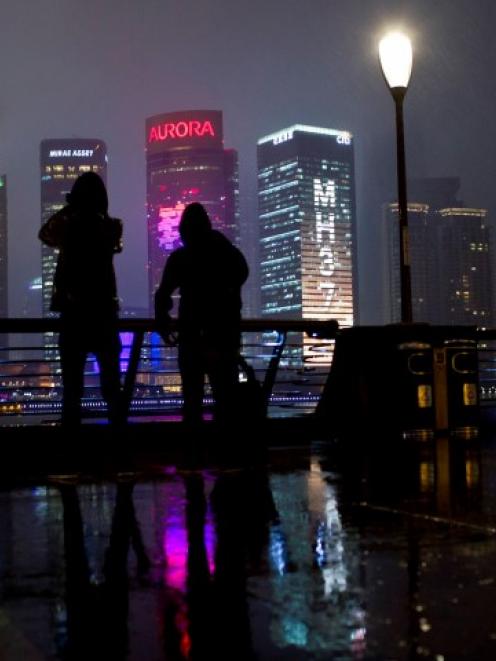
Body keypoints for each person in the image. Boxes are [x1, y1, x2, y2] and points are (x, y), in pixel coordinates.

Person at [39, 171, 124, 427]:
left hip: (74, 316)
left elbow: (45, 234)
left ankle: (72, 444)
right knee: (111, 385)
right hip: (104, 315)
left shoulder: (69, 228)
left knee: (72, 388)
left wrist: (70, 208)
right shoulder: (111, 226)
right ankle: (119, 443)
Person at [154, 202, 249, 426]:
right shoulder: (229, 254)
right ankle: (224, 451)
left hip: (191, 337)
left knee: (192, 400)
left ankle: (193, 450)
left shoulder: (181, 258)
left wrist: (164, 322)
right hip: (224, 336)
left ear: (184, 230)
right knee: (225, 399)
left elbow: (162, 295)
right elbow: (241, 276)